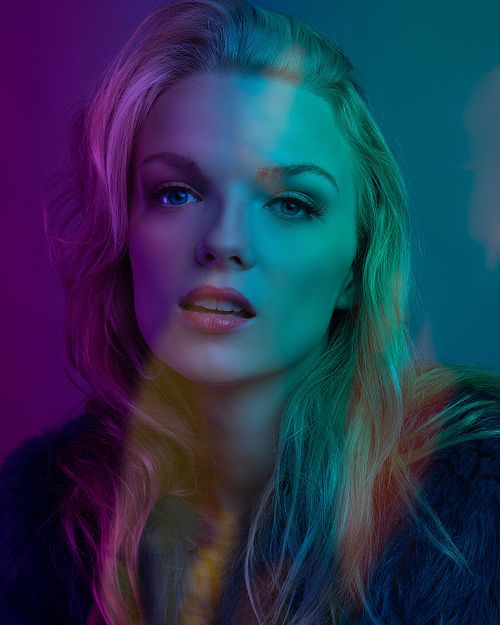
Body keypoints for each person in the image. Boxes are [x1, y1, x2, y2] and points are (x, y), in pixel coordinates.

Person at [1, 1, 499, 624]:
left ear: (355, 269)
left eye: (291, 204)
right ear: (122, 236)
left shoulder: (477, 507)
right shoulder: (39, 531)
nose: (224, 241)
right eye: (176, 193)